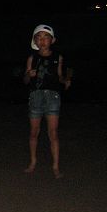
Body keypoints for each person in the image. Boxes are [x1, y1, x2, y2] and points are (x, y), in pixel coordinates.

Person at [23, 24, 72, 178]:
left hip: (53, 97)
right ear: (35, 41)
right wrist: (29, 75)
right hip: (35, 96)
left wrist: (65, 80)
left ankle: (55, 166)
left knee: (53, 133)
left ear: (53, 40)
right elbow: (25, 80)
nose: (42, 40)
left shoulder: (58, 58)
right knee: (34, 132)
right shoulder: (32, 58)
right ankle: (33, 162)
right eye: (38, 37)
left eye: (46, 37)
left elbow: (60, 76)